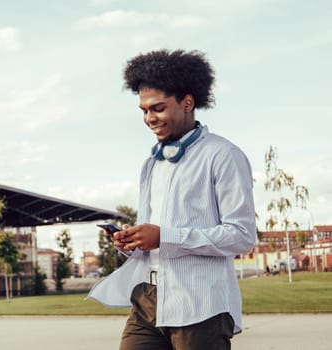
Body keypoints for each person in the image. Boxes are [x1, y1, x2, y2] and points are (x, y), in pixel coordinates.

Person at [87, 49, 256, 350]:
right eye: (144, 111)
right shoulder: (152, 162)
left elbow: (241, 236)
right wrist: (133, 241)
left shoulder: (223, 156)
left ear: (187, 102)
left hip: (200, 306)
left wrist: (164, 237)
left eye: (158, 108)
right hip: (148, 301)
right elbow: (154, 238)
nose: (149, 118)